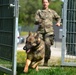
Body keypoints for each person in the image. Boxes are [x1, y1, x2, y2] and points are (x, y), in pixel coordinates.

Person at [34, 0, 61, 66]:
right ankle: (35, 59)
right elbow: (35, 20)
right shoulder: (39, 12)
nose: (45, 3)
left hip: (49, 31)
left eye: (46, 2)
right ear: (42, 3)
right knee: (36, 44)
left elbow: (58, 18)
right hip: (40, 31)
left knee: (47, 43)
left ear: (48, 3)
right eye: (44, 2)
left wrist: (58, 22)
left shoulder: (52, 12)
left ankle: (46, 60)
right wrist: (39, 20)